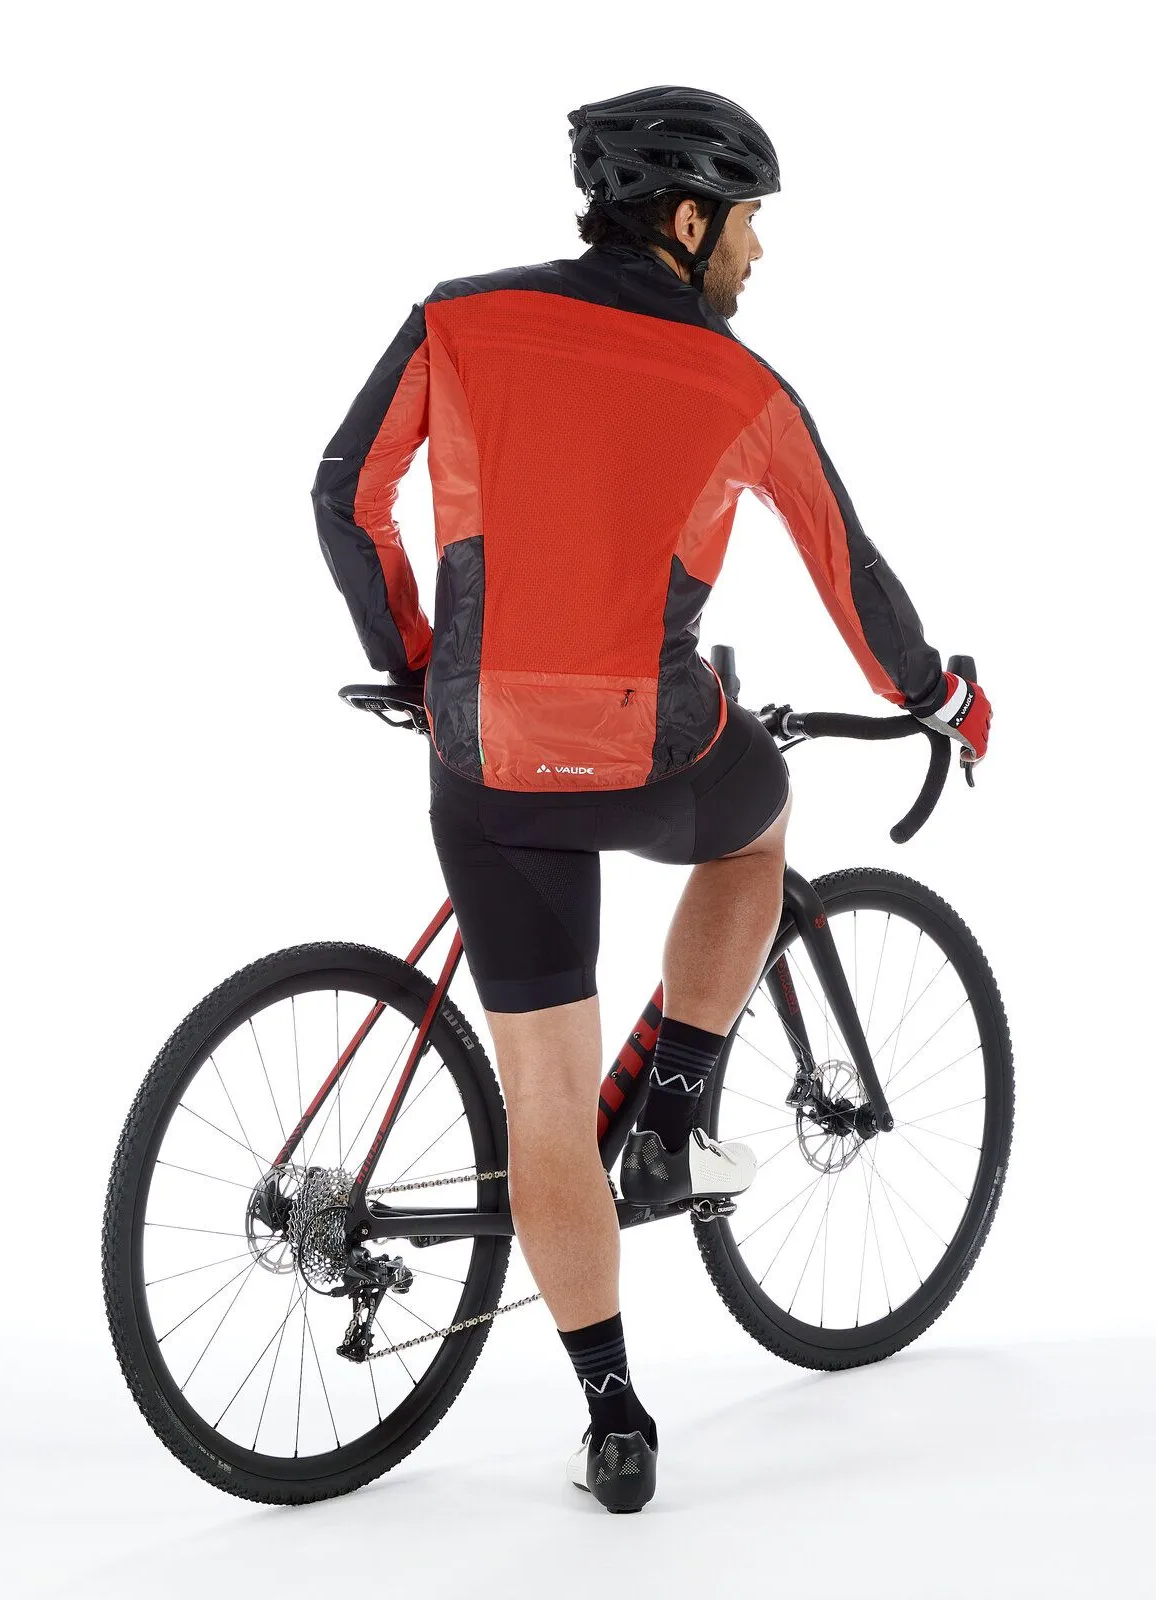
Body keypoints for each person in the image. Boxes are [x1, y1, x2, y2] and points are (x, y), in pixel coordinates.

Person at [310, 85, 992, 1513]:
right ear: (686, 221)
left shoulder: (458, 318)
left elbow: (343, 494)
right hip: (654, 754)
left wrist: (423, 667)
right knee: (760, 820)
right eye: (747, 224)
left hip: (484, 764)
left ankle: (614, 1416)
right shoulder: (742, 389)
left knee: (547, 1114)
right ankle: (679, 1107)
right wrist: (940, 696)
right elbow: (854, 579)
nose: (758, 252)